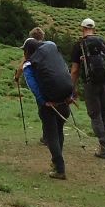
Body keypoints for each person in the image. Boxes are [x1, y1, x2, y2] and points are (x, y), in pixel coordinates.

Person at [69, 18, 105, 159]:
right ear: (94, 29)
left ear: (82, 29)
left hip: (90, 84)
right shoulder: (104, 43)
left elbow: (75, 71)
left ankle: (104, 148)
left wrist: (71, 89)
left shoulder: (79, 45)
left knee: (95, 115)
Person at [22, 36, 74, 179]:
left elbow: (32, 85)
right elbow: (65, 71)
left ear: (28, 51)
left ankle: (60, 169)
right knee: (59, 131)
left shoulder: (29, 65)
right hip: (65, 98)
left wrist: (43, 101)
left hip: (49, 103)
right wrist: (71, 94)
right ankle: (56, 163)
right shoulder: (52, 52)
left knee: (51, 135)